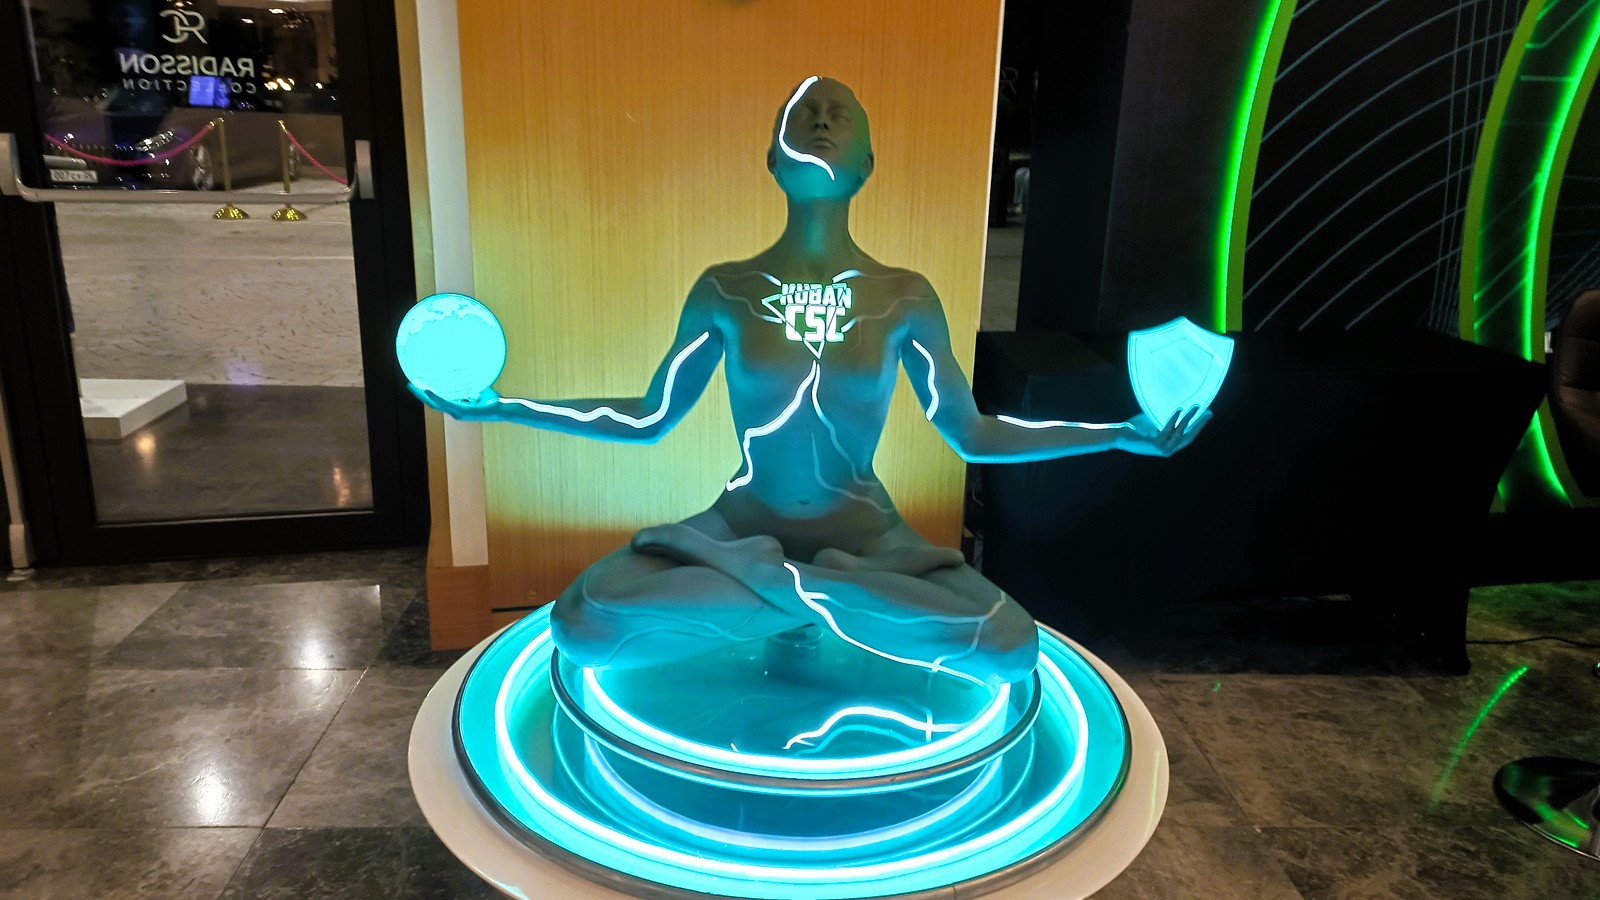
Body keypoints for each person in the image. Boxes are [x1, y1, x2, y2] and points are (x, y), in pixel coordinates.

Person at [414, 77, 1204, 688]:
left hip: (870, 542)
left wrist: (1118, 434)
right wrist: (500, 407)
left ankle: (787, 590)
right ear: (772, 158)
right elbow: (648, 417)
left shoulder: (905, 297)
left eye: (840, 113)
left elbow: (971, 433)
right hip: (736, 529)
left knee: (1009, 645)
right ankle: (821, 596)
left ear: (867, 165)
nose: (821, 118)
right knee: (581, 623)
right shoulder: (725, 289)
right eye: (805, 111)